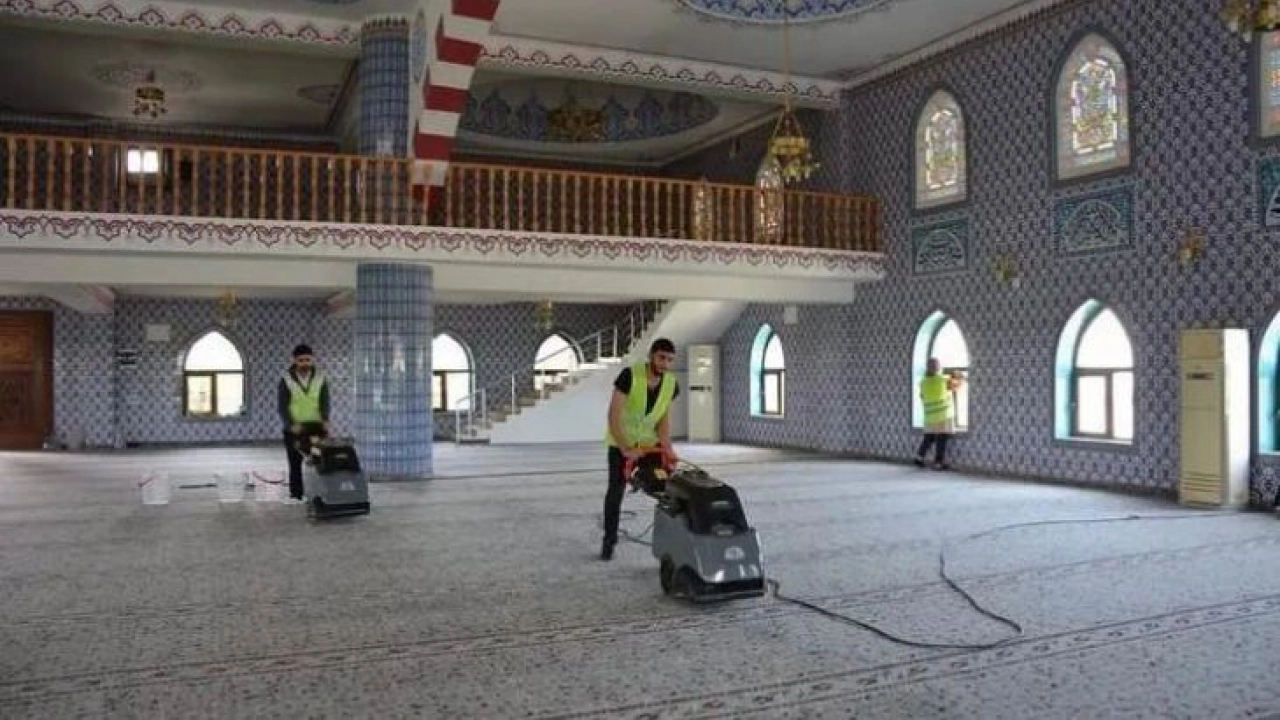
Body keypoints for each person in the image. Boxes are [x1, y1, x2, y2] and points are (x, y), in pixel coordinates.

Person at [600, 338, 680, 561]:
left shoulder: (671, 384)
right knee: (615, 492)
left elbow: (663, 420)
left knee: (664, 487)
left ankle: (670, 543)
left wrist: (668, 450)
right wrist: (625, 448)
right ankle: (609, 540)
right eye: (661, 358)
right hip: (621, 443)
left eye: (670, 360)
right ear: (651, 356)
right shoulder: (629, 376)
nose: (665, 364)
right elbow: (613, 415)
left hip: (648, 445)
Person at [277, 344, 331, 502]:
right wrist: (290, 423)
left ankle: (319, 494)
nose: (305, 363)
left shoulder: (320, 378)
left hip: (316, 428)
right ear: (294, 360)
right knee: (295, 463)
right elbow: (282, 406)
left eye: (307, 360)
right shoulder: (286, 379)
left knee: (318, 461)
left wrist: (325, 420)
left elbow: (325, 402)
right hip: (294, 429)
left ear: (312, 359)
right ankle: (296, 495)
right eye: (301, 360)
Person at [915, 358, 961, 470]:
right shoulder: (943, 380)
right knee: (941, 438)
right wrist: (957, 376)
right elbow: (956, 387)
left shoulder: (923, 382)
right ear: (938, 367)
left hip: (929, 415)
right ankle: (938, 463)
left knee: (929, 437)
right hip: (943, 415)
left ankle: (919, 457)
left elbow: (922, 396)